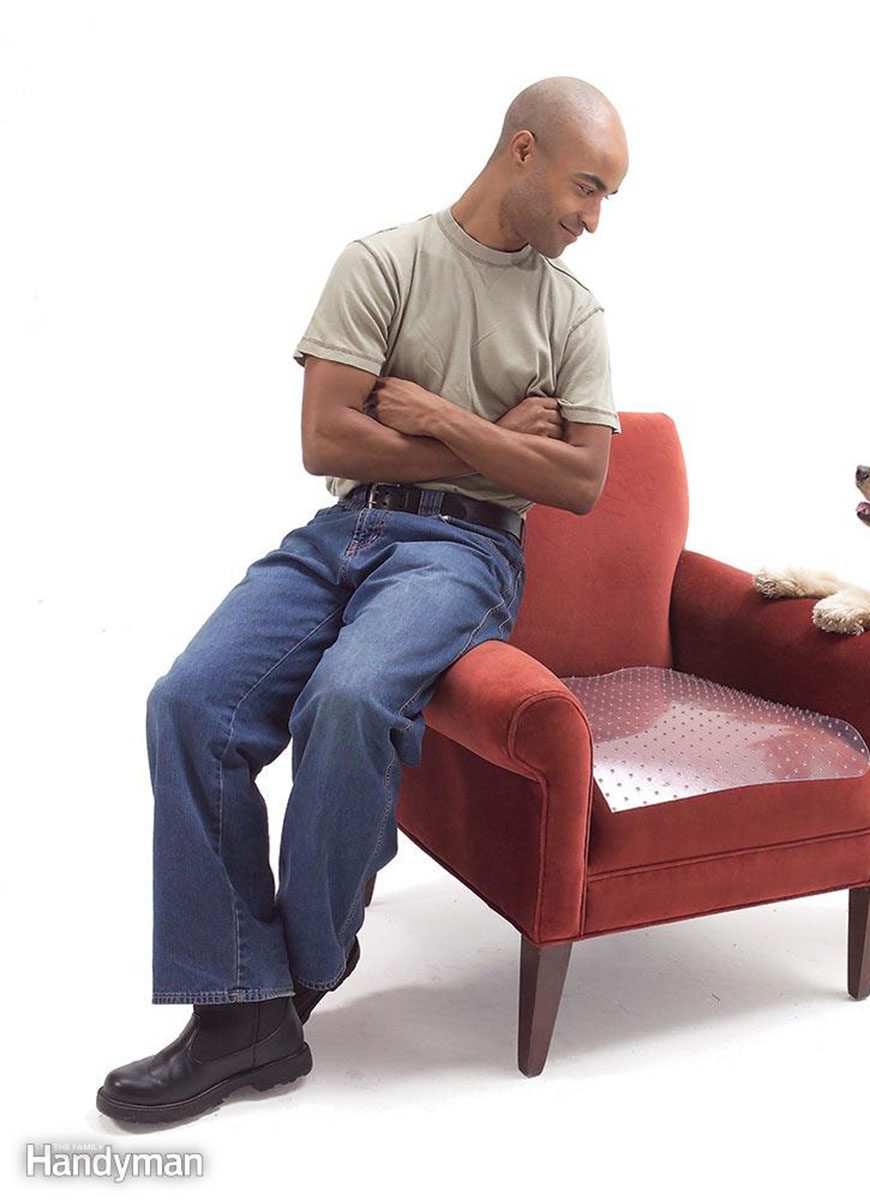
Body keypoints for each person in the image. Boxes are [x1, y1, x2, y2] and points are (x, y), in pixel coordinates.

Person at [95, 76, 629, 1124]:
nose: (593, 218)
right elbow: (326, 441)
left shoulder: (572, 311)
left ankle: (286, 983)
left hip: (465, 556)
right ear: (523, 150)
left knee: (346, 701)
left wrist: (436, 417)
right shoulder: (384, 263)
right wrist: (496, 438)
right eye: (586, 185)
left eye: (608, 197)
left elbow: (579, 482)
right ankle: (245, 1019)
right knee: (188, 703)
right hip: (342, 529)